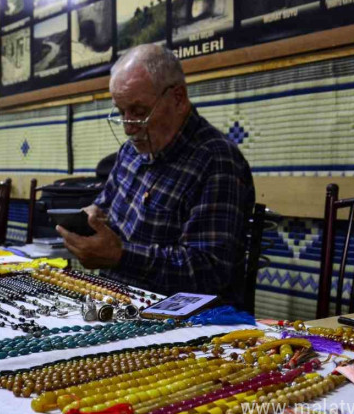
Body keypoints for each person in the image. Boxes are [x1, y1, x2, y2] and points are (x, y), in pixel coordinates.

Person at [56, 44, 255, 301]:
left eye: (139, 112)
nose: (128, 128)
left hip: (182, 321)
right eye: (120, 112)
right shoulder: (130, 152)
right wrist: (91, 217)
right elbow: (103, 207)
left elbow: (210, 271)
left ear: (178, 99)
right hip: (116, 300)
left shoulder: (217, 161)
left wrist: (121, 256)